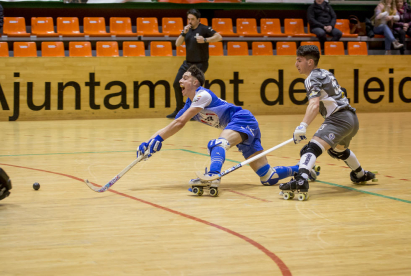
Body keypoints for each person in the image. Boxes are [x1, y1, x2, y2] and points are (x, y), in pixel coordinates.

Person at [137, 65, 319, 190]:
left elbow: (180, 122)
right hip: (243, 126)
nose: (180, 81)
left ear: (195, 83)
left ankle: (213, 176)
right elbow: (173, 125)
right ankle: (303, 169)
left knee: (218, 144)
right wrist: (150, 141)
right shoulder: (189, 103)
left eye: (185, 78)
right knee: (268, 177)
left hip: (241, 120)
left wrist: (158, 140)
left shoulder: (203, 95)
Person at [279, 45, 376, 199]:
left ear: (310, 62)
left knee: (310, 149)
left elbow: (314, 105)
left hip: (339, 119)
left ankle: (301, 180)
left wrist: (302, 126)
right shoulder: (325, 73)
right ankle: (360, 174)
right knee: (337, 151)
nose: (296, 64)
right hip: (352, 120)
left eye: (299, 60)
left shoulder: (311, 78)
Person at [166, 9, 222, 119]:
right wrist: (183, 32)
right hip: (187, 63)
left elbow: (219, 37)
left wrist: (205, 40)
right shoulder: (187, 31)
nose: (190, 21)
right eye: (189, 19)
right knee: (177, 84)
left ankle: (194, 112)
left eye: (192, 19)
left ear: (198, 20)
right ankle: (179, 110)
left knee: (193, 87)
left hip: (200, 64)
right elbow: (177, 44)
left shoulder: (204, 29)